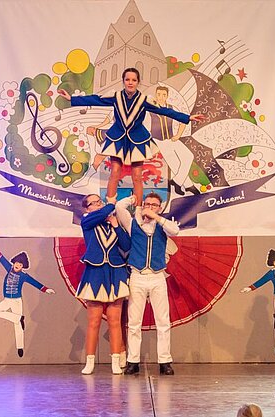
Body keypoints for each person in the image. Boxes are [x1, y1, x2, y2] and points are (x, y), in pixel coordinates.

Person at [60, 68, 206, 204]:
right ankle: (110, 206)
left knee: (137, 176)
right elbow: (96, 99)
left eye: (134, 80)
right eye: (127, 79)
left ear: (138, 82)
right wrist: (71, 99)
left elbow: (165, 111)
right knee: (115, 172)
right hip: (117, 139)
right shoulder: (116, 96)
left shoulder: (144, 100)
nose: (130, 82)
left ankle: (138, 211)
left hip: (137, 140)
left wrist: (187, 117)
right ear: (123, 81)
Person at [115, 193, 180, 375]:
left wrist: (156, 217)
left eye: (154, 205)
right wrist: (132, 200)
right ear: (143, 205)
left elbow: (175, 231)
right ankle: (133, 361)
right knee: (134, 322)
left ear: (160, 208)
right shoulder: (133, 224)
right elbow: (119, 207)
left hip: (157, 276)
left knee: (163, 321)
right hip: (137, 276)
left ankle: (165, 361)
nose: (150, 207)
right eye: (148, 204)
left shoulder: (163, 225)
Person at [76, 194, 132, 375]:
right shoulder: (87, 221)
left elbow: (126, 245)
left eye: (100, 201)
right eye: (95, 203)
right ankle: (90, 362)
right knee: (94, 321)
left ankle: (115, 360)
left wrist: (116, 225)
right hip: (95, 273)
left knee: (115, 321)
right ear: (87, 208)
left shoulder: (112, 222)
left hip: (116, 272)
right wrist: (111, 204)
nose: (99, 204)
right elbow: (104, 212)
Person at [0, 245, 54, 357]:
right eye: (16, 263)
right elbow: (2, 260)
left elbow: (34, 282)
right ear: (14, 263)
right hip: (7, 300)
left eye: (20, 265)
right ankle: (19, 318)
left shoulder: (24, 276)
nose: (17, 265)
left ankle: (20, 347)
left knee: (18, 326)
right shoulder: (9, 269)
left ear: (22, 266)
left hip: (16, 301)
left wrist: (45, 289)